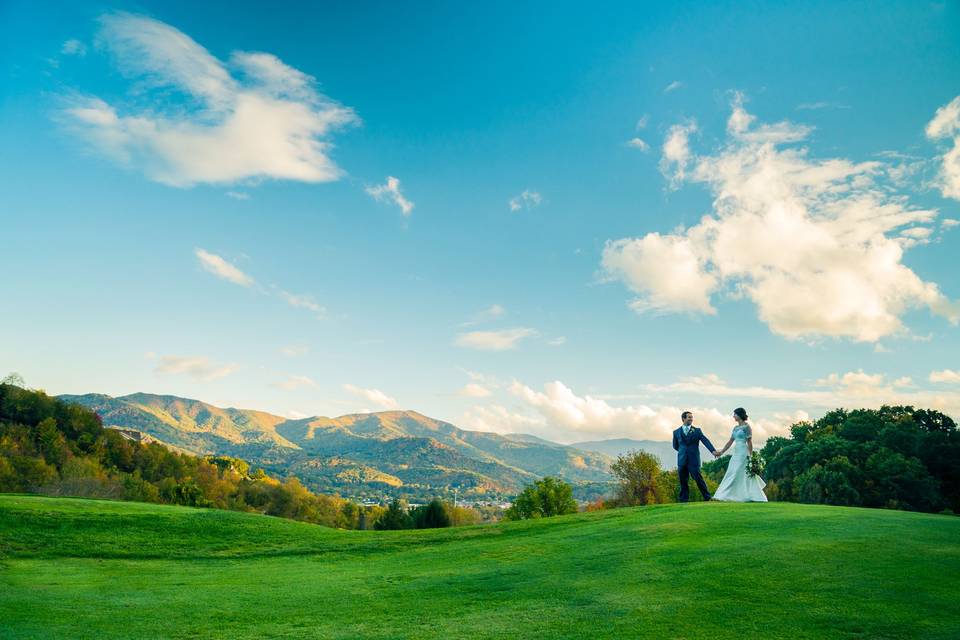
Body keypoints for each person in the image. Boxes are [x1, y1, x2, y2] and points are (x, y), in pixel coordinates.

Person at [712, 407, 768, 502]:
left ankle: (749, 495)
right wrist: (721, 452)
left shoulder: (747, 427)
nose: (733, 416)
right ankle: (725, 494)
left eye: (735, 414)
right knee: (732, 472)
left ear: (739, 415)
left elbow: (749, 442)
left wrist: (750, 456)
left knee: (739, 472)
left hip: (743, 452)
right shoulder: (735, 428)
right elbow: (730, 442)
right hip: (736, 452)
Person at [671, 410, 719, 502]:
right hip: (682, 460)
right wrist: (682, 452)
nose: (691, 419)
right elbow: (675, 446)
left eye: (692, 417)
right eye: (689, 417)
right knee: (683, 481)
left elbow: (705, 440)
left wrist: (713, 451)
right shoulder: (676, 432)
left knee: (698, 479)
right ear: (683, 419)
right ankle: (683, 500)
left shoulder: (697, 431)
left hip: (694, 460)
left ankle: (707, 497)